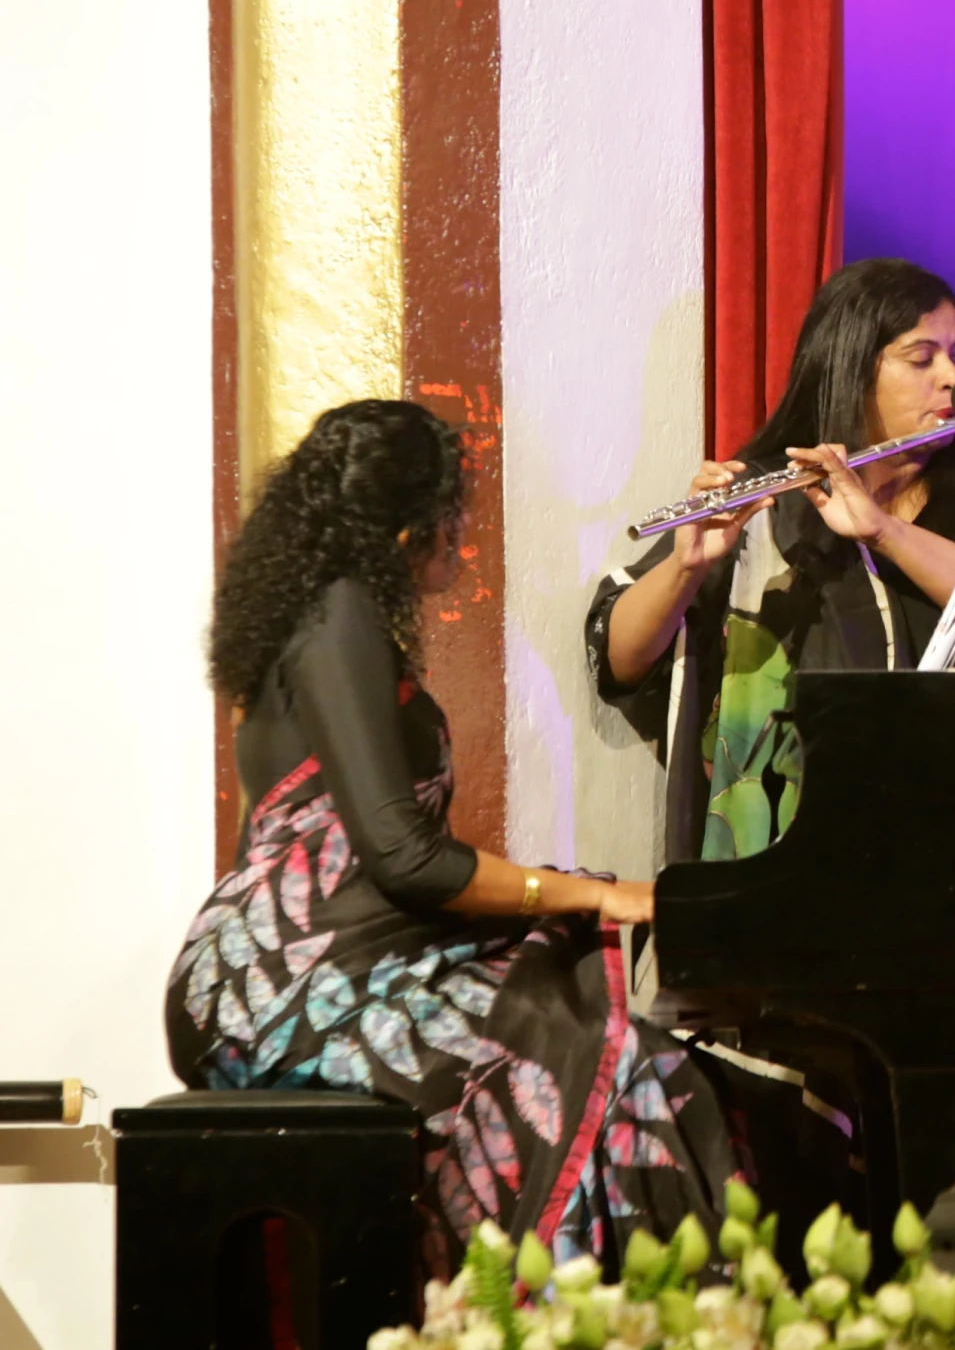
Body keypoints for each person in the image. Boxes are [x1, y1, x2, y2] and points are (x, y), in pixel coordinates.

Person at [170, 399, 736, 1275]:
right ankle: (567, 1317)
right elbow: (405, 857)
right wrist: (598, 892)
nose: (461, 536)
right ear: (407, 529)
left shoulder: (330, 613)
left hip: (318, 963)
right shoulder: (338, 611)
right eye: (452, 513)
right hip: (284, 983)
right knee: (614, 1067)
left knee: (602, 1040)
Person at [586, 257, 955, 863]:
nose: (953, 376)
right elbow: (619, 660)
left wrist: (884, 530)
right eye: (922, 359)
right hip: (786, 856)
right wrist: (687, 567)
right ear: (851, 367)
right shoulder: (768, 500)